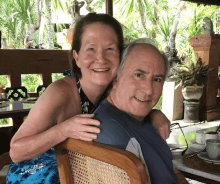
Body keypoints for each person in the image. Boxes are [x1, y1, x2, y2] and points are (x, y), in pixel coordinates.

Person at [7, 13, 170, 183]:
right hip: (38, 174)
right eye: (91, 49)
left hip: (86, 171)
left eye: (110, 49)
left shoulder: (114, 88)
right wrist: (64, 129)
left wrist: (154, 114)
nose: (101, 58)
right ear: (76, 57)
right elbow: (16, 151)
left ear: (121, 57)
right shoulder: (60, 92)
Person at [93, 39, 188, 184]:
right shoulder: (115, 136)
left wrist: (154, 113)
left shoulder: (136, 118)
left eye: (156, 79)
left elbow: (170, 170)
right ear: (115, 78)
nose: (149, 90)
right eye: (139, 75)